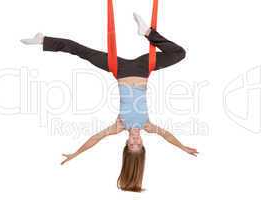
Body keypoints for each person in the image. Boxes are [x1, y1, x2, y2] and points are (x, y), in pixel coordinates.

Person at [21, 13, 198, 192]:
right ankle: (147, 32)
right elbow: (168, 136)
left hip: (118, 68)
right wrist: (183, 147)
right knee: (179, 53)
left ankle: (43, 40)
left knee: (83, 51)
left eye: (131, 144)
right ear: (143, 144)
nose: (135, 139)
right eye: (139, 144)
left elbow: (95, 139)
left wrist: (76, 153)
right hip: (144, 68)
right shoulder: (148, 125)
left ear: (127, 143)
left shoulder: (119, 126)